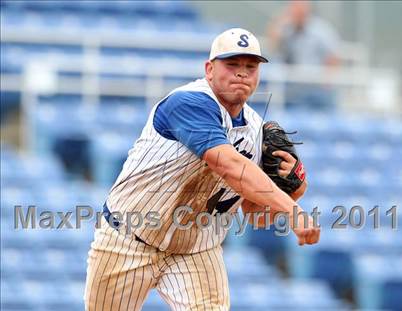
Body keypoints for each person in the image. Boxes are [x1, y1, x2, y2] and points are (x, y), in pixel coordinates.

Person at [84, 28, 320, 311]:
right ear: (209, 69)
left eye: (250, 66)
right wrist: (292, 210)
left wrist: (295, 190)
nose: (241, 73)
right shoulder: (188, 102)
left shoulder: (256, 131)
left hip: (196, 251)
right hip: (128, 240)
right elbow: (228, 164)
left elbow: (254, 216)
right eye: (232, 64)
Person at [266, 0, 340, 110]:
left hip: (316, 87)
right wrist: (280, 20)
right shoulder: (286, 29)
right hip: (293, 88)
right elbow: (272, 46)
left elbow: (333, 56)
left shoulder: (321, 30)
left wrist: (327, 82)